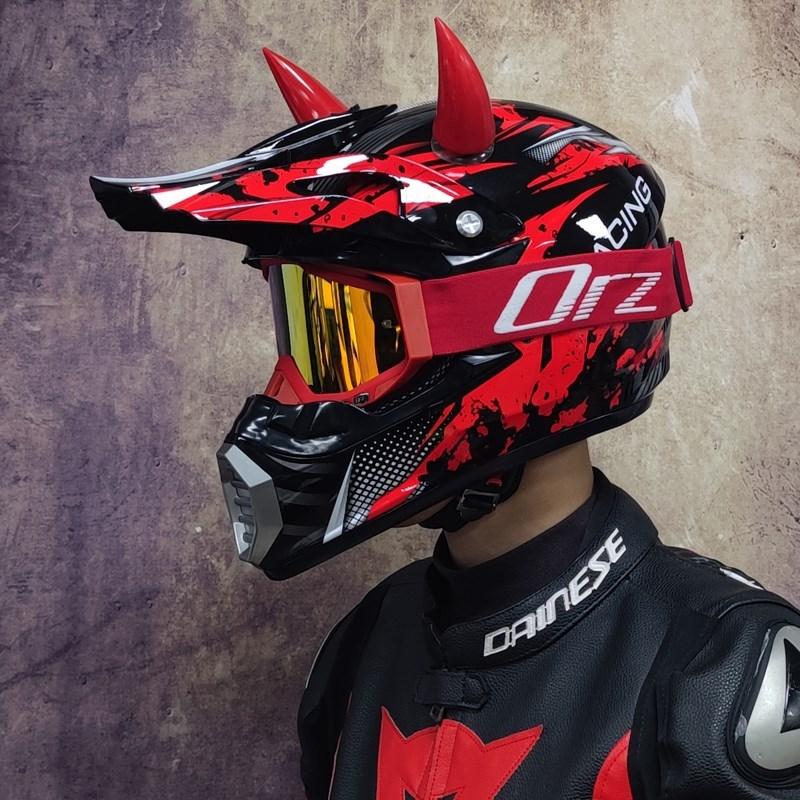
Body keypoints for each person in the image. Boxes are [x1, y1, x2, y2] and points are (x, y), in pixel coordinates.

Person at [91, 18, 800, 799]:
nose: (294, 395)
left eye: (352, 340)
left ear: (537, 329)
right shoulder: (363, 648)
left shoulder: (726, 678)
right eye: (309, 329)